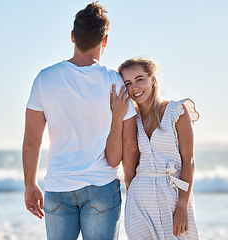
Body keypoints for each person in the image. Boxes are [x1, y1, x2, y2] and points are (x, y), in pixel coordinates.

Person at [22, 2, 138, 240]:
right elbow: (129, 145)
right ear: (105, 40)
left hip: (58, 186)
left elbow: (32, 139)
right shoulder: (116, 82)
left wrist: (30, 185)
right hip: (102, 187)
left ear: (73, 36)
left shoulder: (44, 79)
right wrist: (133, 189)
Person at [111, 57, 200, 239]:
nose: (134, 87)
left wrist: (182, 204)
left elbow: (188, 161)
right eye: (128, 83)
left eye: (139, 79)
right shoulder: (131, 120)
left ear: (153, 79)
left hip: (173, 196)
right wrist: (130, 193)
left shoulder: (177, 111)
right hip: (139, 201)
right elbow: (128, 158)